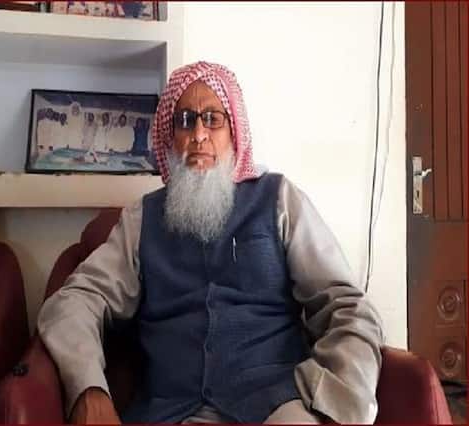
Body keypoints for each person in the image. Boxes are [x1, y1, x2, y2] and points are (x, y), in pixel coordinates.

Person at [38, 61, 384, 424]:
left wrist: (331, 399)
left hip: (276, 406)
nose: (198, 134)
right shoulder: (142, 219)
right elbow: (76, 301)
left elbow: (346, 305)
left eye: (212, 119)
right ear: (170, 136)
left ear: (234, 131)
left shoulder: (279, 199)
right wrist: (88, 389)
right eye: (185, 120)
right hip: (170, 413)